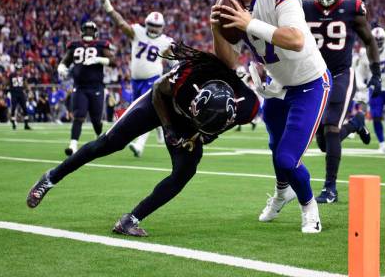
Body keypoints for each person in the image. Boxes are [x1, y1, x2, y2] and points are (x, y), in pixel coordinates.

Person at [27, 43, 260, 237]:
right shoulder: (191, 76)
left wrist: (200, 134)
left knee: (184, 172)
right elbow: (159, 89)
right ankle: (50, 178)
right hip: (160, 104)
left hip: (189, 125)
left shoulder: (247, 107)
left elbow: (214, 127)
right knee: (108, 143)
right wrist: (168, 129)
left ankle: (130, 220)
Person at [212, 0, 330, 233]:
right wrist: (217, 31)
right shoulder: (236, 6)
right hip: (276, 87)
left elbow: (295, 40)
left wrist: (249, 23)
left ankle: (309, 207)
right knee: (274, 147)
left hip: (309, 83)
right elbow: (228, 61)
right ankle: (282, 192)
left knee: (288, 158)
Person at [302, 0, 378, 203]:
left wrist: (376, 71)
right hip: (315, 77)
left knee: (332, 127)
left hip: (341, 74)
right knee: (324, 142)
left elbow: (369, 40)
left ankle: (330, 189)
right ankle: (355, 124)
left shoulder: (352, 8)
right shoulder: (303, 8)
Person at [101, 0, 173, 158]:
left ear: (162, 27)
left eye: (157, 26)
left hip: (153, 79)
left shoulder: (166, 42)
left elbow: (173, 61)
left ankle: (139, 145)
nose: (154, 29)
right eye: (151, 25)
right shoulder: (137, 32)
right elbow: (121, 23)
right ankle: (160, 130)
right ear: (146, 23)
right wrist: (109, 8)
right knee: (143, 109)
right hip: (136, 80)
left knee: (145, 111)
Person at [57, 21, 117, 155]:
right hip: (79, 87)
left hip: (96, 87)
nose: (88, 32)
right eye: (86, 30)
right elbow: (65, 60)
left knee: (96, 120)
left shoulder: (101, 45)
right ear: (82, 31)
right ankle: (73, 145)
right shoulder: (74, 46)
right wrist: (61, 67)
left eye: (91, 30)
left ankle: (100, 136)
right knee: (79, 116)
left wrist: (98, 59)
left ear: (95, 32)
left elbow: (114, 62)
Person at [8, 61, 32, 130]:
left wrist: (28, 89)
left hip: (20, 93)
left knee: (24, 108)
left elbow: (25, 84)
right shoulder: (12, 75)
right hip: (14, 93)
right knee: (14, 108)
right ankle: (13, 124)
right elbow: (7, 83)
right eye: (19, 69)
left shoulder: (22, 75)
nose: (20, 70)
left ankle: (26, 124)